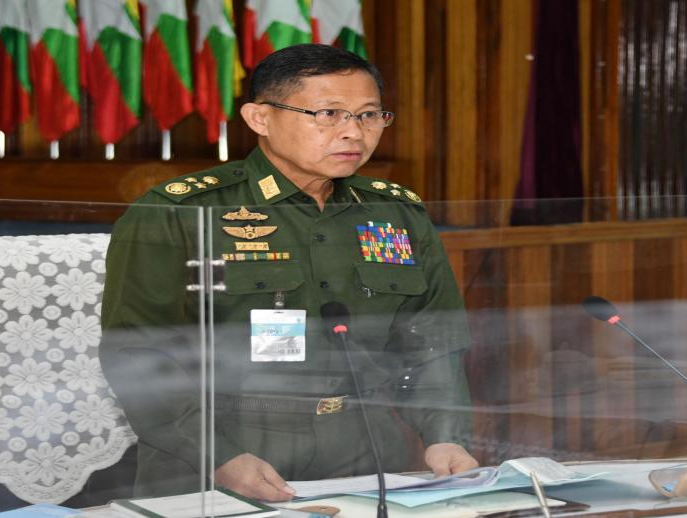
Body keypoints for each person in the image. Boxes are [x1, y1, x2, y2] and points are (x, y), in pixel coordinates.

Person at [99, 44, 478, 501]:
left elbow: (431, 338)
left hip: (365, 444)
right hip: (225, 446)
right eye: (328, 114)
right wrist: (218, 456)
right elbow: (138, 353)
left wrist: (444, 435)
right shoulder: (180, 212)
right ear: (260, 118)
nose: (353, 132)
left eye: (368, 115)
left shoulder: (395, 212)